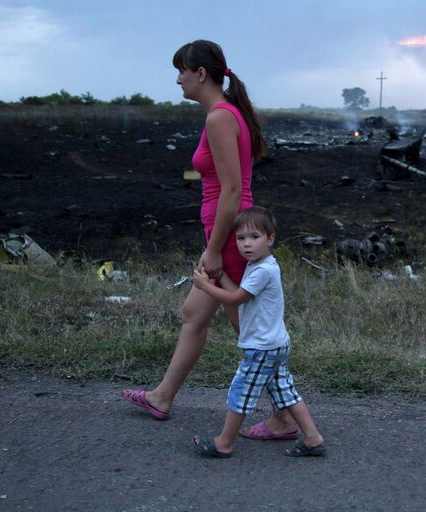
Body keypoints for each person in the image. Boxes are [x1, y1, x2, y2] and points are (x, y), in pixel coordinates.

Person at [120, 40, 298, 439]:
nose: (177, 78)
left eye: (182, 69)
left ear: (201, 74)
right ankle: (162, 397)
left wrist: (215, 249)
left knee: (252, 335)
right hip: (222, 235)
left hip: (229, 239)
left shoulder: (220, 118)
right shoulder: (227, 114)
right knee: (193, 314)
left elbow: (232, 191)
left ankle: (286, 418)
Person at [190, 207, 326, 458]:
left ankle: (224, 443)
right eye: (241, 238)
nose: (246, 244)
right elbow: (241, 292)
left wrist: (204, 286)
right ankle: (313, 438)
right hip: (275, 344)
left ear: (270, 239)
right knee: (284, 391)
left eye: (254, 237)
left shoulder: (263, 270)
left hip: (262, 347)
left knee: (241, 390)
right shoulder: (260, 265)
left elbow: (236, 298)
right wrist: (219, 277)